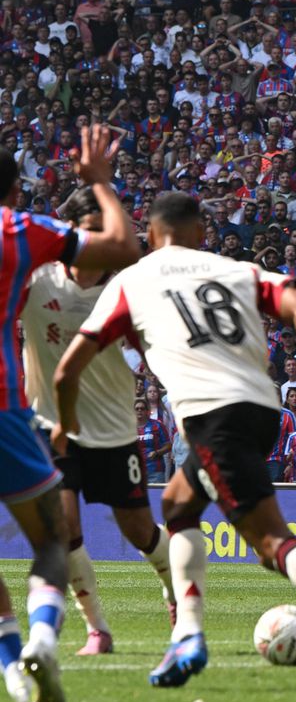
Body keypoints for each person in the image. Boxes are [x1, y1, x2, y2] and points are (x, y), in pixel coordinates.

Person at [59, 192, 296, 696]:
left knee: (271, 544)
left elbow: (68, 370)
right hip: (264, 411)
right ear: (202, 233)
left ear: (151, 236)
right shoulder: (236, 270)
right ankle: (187, 636)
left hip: (214, 417)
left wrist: (62, 427)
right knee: (177, 503)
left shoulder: (132, 281)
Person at [0, 125, 141, 702]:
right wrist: (100, 182)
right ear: (15, 189)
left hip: (68, 418)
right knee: (52, 540)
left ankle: (13, 672)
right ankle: (44, 638)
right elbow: (123, 247)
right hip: (9, 410)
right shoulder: (20, 232)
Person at [22, 187, 174, 657]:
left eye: (104, 233)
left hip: (113, 427)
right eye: (89, 233)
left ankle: (176, 589)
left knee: (138, 529)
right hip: (52, 426)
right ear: (70, 233)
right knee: (63, 528)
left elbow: (158, 351)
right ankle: (97, 629)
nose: (98, 243)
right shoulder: (36, 279)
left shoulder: (128, 289)